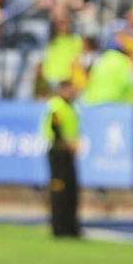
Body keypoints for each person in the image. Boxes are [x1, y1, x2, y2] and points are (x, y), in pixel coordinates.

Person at [45, 76, 81, 238]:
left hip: (68, 153)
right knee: (59, 190)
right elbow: (56, 129)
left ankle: (71, 227)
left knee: (71, 191)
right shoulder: (56, 106)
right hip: (58, 152)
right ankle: (59, 227)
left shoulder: (71, 106)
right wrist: (68, 145)